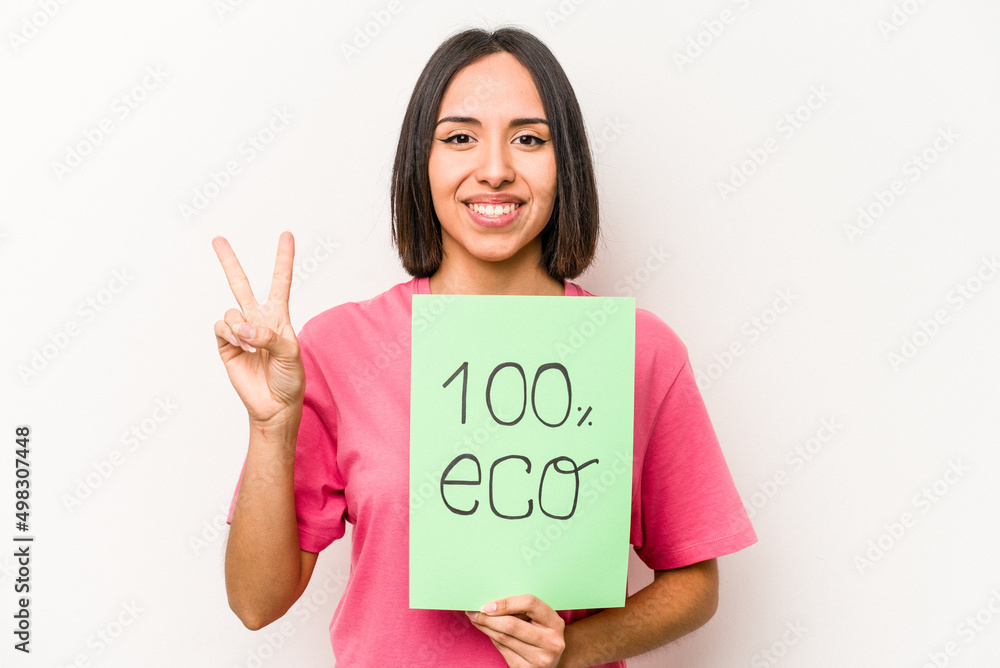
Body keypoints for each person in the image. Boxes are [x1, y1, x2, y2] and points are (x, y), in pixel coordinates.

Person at [215, 26, 756, 667]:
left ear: (567, 165)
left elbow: (695, 581)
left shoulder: (640, 352)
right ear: (423, 161)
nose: (495, 170)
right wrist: (271, 427)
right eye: (460, 137)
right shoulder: (340, 348)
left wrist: (572, 650)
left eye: (529, 139)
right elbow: (256, 604)